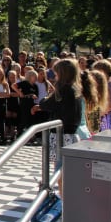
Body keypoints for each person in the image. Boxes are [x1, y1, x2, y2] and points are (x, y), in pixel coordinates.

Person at [31, 58, 83, 196]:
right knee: (65, 169)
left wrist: (42, 102)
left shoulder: (64, 89)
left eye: (56, 73)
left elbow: (48, 104)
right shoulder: (75, 89)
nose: (54, 77)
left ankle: (64, 199)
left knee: (60, 170)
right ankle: (66, 197)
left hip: (61, 134)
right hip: (71, 133)